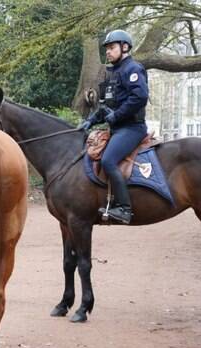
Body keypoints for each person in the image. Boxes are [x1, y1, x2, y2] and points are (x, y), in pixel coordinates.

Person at [79, 29, 149, 225]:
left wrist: (115, 116)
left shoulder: (133, 69)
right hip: (117, 128)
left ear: (124, 47)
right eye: (106, 49)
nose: (108, 52)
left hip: (132, 128)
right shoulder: (112, 73)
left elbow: (139, 97)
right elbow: (105, 107)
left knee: (109, 160)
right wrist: (90, 121)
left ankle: (124, 209)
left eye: (111, 48)